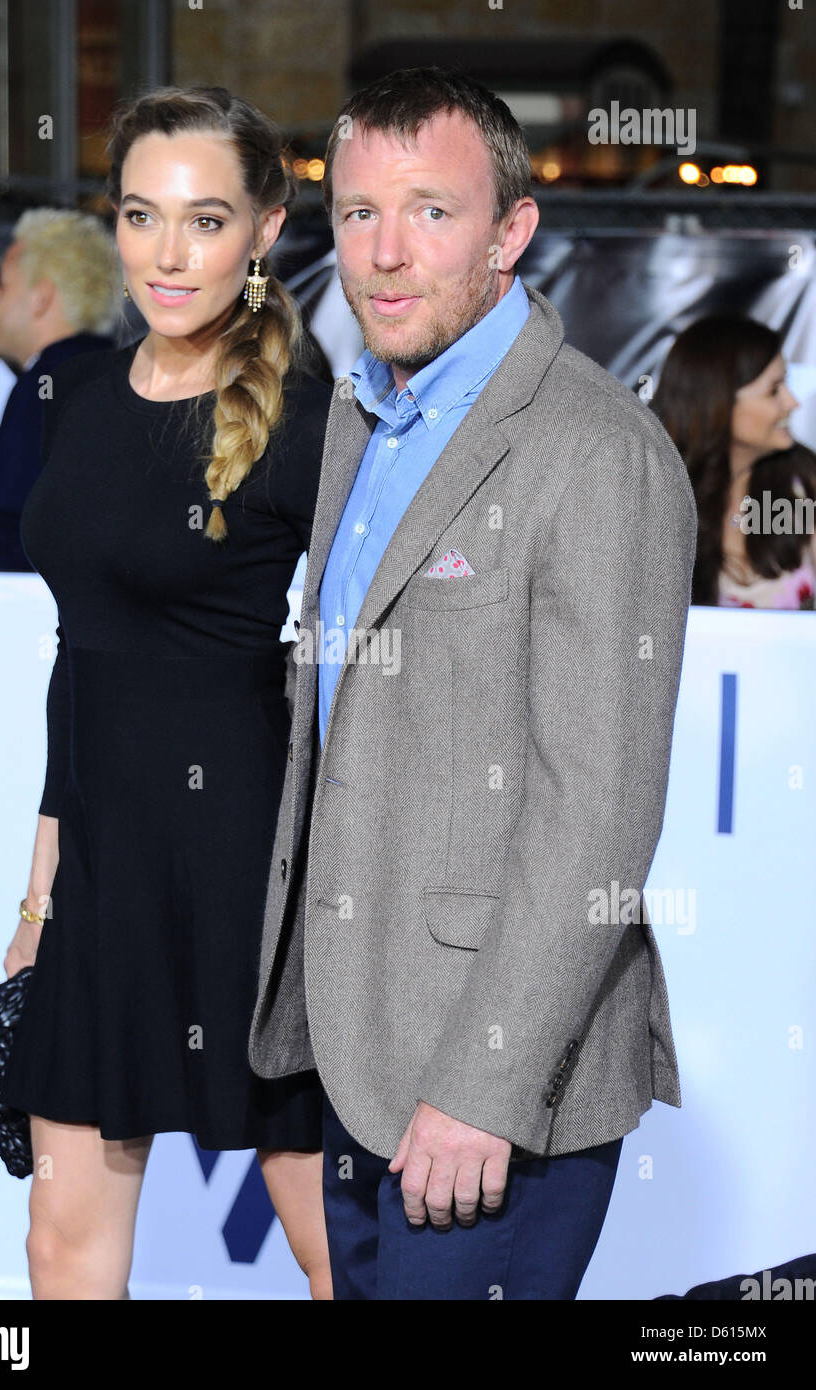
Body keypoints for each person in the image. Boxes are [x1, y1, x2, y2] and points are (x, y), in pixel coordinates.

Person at [248, 66, 697, 1300]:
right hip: (354, 1057)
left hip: (487, 1095)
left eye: (431, 212)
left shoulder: (597, 455)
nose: (385, 256)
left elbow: (595, 815)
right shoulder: (360, 414)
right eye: (355, 214)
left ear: (510, 231)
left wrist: (481, 1085)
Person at [0, 85, 332, 1300]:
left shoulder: (306, 419)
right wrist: (38, 896)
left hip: (241, 865)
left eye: (204, 220)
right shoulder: (79, 402)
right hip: (99, 868)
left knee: (328, 1238)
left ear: (264, 231)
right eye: (141, 216)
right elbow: (74, 657)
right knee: (60, 1242)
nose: (167, 252)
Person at [0, 209, 120, 570]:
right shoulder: (118, 373)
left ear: (40, 297)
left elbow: (15, 529)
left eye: (3, 286)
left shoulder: (44, 388)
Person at [652, 315, 807, 608]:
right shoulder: (653, 500)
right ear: (718, 402)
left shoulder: (804, 484)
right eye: (774, 390)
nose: (792, 402)